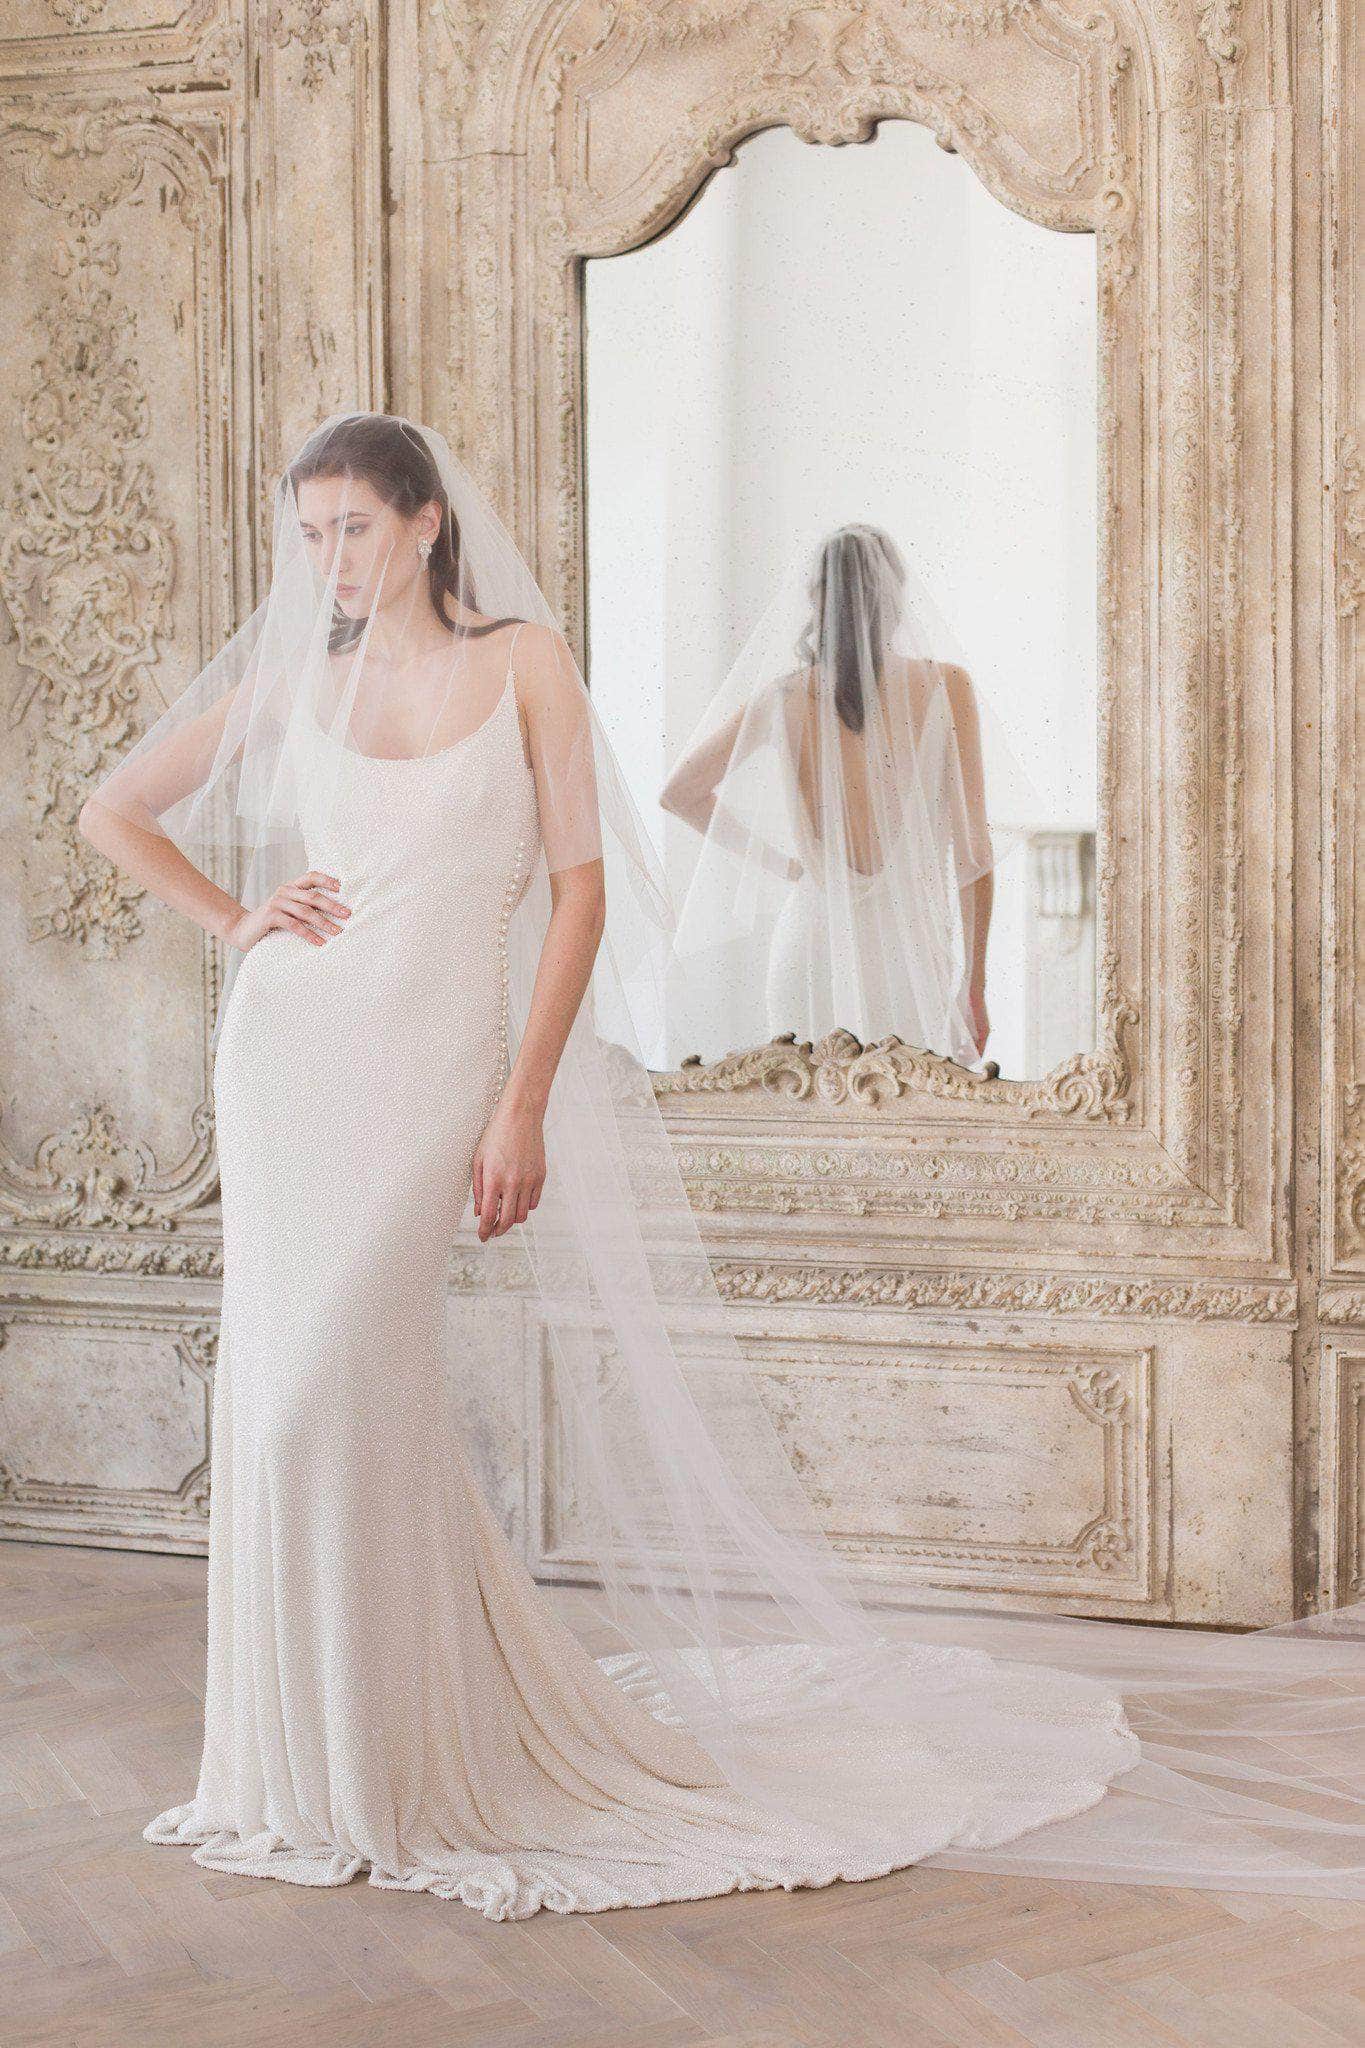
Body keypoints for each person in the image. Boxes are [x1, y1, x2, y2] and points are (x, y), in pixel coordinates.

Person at [79, 413, 1363, 1917]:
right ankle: (323, 1755)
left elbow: (578, 896)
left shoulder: (522, 663)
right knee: (294, 1401)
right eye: (309, 536)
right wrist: (239, 921)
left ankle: (405, 1744)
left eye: (353, 527)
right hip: (289, 1058)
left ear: (426, 522)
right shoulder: (306, 675)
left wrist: (521, 1102)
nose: (329, 561)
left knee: (343, 1388)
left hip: (430, 1068)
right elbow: (112, 810)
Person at [661, 525, 1002, 1063]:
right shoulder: (947, 686)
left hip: (809, 945)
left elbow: (679, 793)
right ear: (896, 595)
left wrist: (786, 867)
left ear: (816, 600)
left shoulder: (784, 696)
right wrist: (974, 984)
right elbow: (974, 853)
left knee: (806, 1112)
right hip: (908, 954)